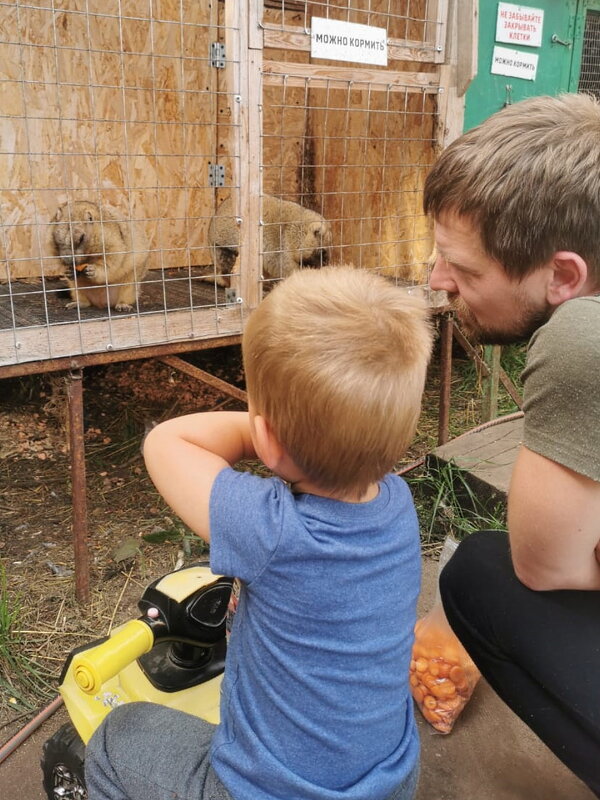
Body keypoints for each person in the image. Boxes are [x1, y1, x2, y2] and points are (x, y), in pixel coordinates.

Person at [84, 264, 433, 800]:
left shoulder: (272, 528)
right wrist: (297, 427)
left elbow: (166, 444)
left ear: (266, 436)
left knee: (116, 738)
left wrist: (262, 431)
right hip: (389, 778)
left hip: (271, 791)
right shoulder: (398, 504)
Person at [424, 92, 600, 796]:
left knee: (477, 574)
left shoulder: (580, 334)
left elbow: (546, 564)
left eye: (463, 271)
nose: (439, 284)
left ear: (563, 277)